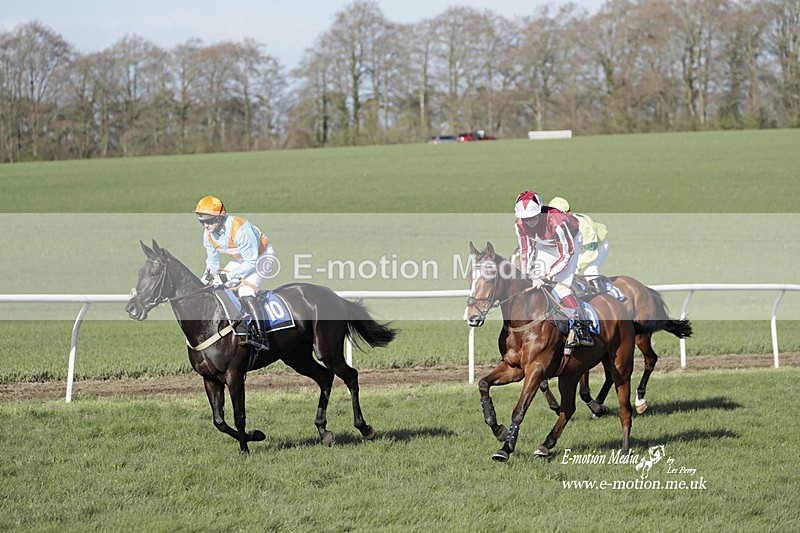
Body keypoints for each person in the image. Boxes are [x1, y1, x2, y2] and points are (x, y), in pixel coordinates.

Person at [194, 195, 276, 351]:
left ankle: (262, 338)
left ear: (220, 217)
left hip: (261, 257)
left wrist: (226, 276)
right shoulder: (208, 235)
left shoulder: (240, 229)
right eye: (201, 221)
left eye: (209, 221)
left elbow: (252, 261)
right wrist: (204, 280)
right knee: (220, 288)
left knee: (246, 290)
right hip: (240, 259)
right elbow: (212, 263)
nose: (206, 225)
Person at [514, 191, 594, 347]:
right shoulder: (519, 225)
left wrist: (546, 276)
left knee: (560, 286)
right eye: (525, 219)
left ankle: (582, 327)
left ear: (540, 212)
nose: (529, 222)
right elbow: (526, 250)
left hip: (569, 244)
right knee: (531, 281)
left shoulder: (556, 222)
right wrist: (526, 273)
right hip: (546, 244)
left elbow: (566, 254)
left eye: (533, 218)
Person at [548, 196, 609, 289]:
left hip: (597, 247)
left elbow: (590, 252)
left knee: (590, 272)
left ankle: (602, 294)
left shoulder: (583, 226)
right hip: (577, 247)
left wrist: (576, 268)